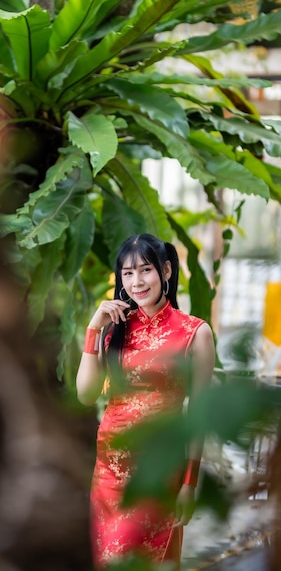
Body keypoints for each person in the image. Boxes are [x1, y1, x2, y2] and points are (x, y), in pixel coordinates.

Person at [76, 233, 215, 569]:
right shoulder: (115, 328)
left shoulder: (195, 333)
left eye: (145, 270)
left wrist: (189, 484)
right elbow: (86, 394)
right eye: (127, 273)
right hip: (108, 475)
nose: (136, 282)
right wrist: (94, 328)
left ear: (166, 271)